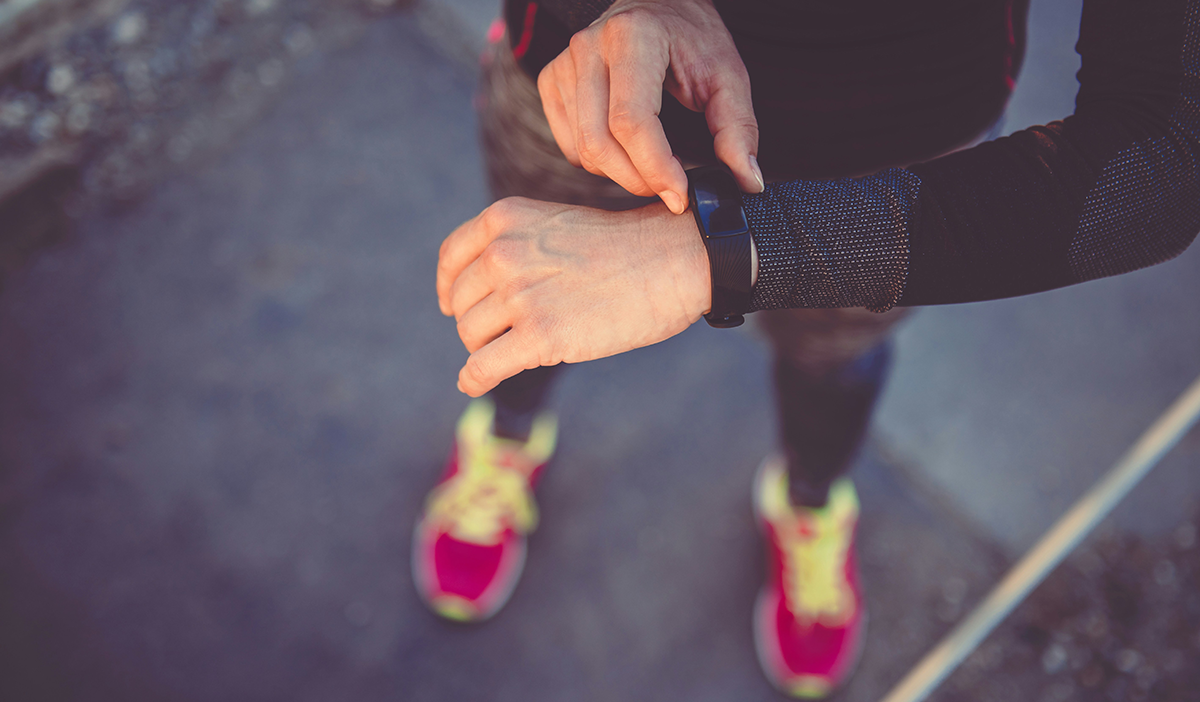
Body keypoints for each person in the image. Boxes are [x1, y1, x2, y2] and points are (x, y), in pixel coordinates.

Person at [412, 0, 1200, 696]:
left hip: (896, 145)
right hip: (596, 70)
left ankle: (810, 499)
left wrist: (718, 256)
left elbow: (1161, 159)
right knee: (526, 297)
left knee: (833, 360)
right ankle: (506, 438)